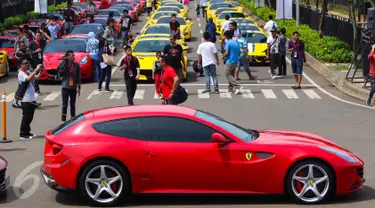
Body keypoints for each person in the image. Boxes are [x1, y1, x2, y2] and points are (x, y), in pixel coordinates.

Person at [18, 58, 42, 140]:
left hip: (31, 98)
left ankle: (27, 132)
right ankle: (23, 134)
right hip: (26, 99)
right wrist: (36, 70)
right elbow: (28, 79)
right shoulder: (21, 74)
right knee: (26, 117)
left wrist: (40, 70)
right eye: (25, 63)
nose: (27, 64)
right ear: (21, 65)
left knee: (30, 117)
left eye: (27, 63)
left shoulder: (27, 72)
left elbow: (37, 77)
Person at [57, 50, 81, 122]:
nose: (74, 57)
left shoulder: (76, 65)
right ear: (67, 57)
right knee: (64, 105)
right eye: (72, 56)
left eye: (74, 55)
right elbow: (59, 74)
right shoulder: (64, 65)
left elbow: (78, 77)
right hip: (65, 87)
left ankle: (73, 119)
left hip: (73, 88)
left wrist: (79, 88)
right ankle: (63, 120)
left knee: (73, 104)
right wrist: (63, 64)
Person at [223, 30, 243, 94]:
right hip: (235, 61)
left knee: (227, 75)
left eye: (224, 35)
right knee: (231, 75)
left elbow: (227, 52)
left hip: (230, 61)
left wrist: (223, 56)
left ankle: (237, 86)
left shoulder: (228, 43)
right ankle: (230, 88)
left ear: (227, 36)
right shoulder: (236, 43)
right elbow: (239, 52)